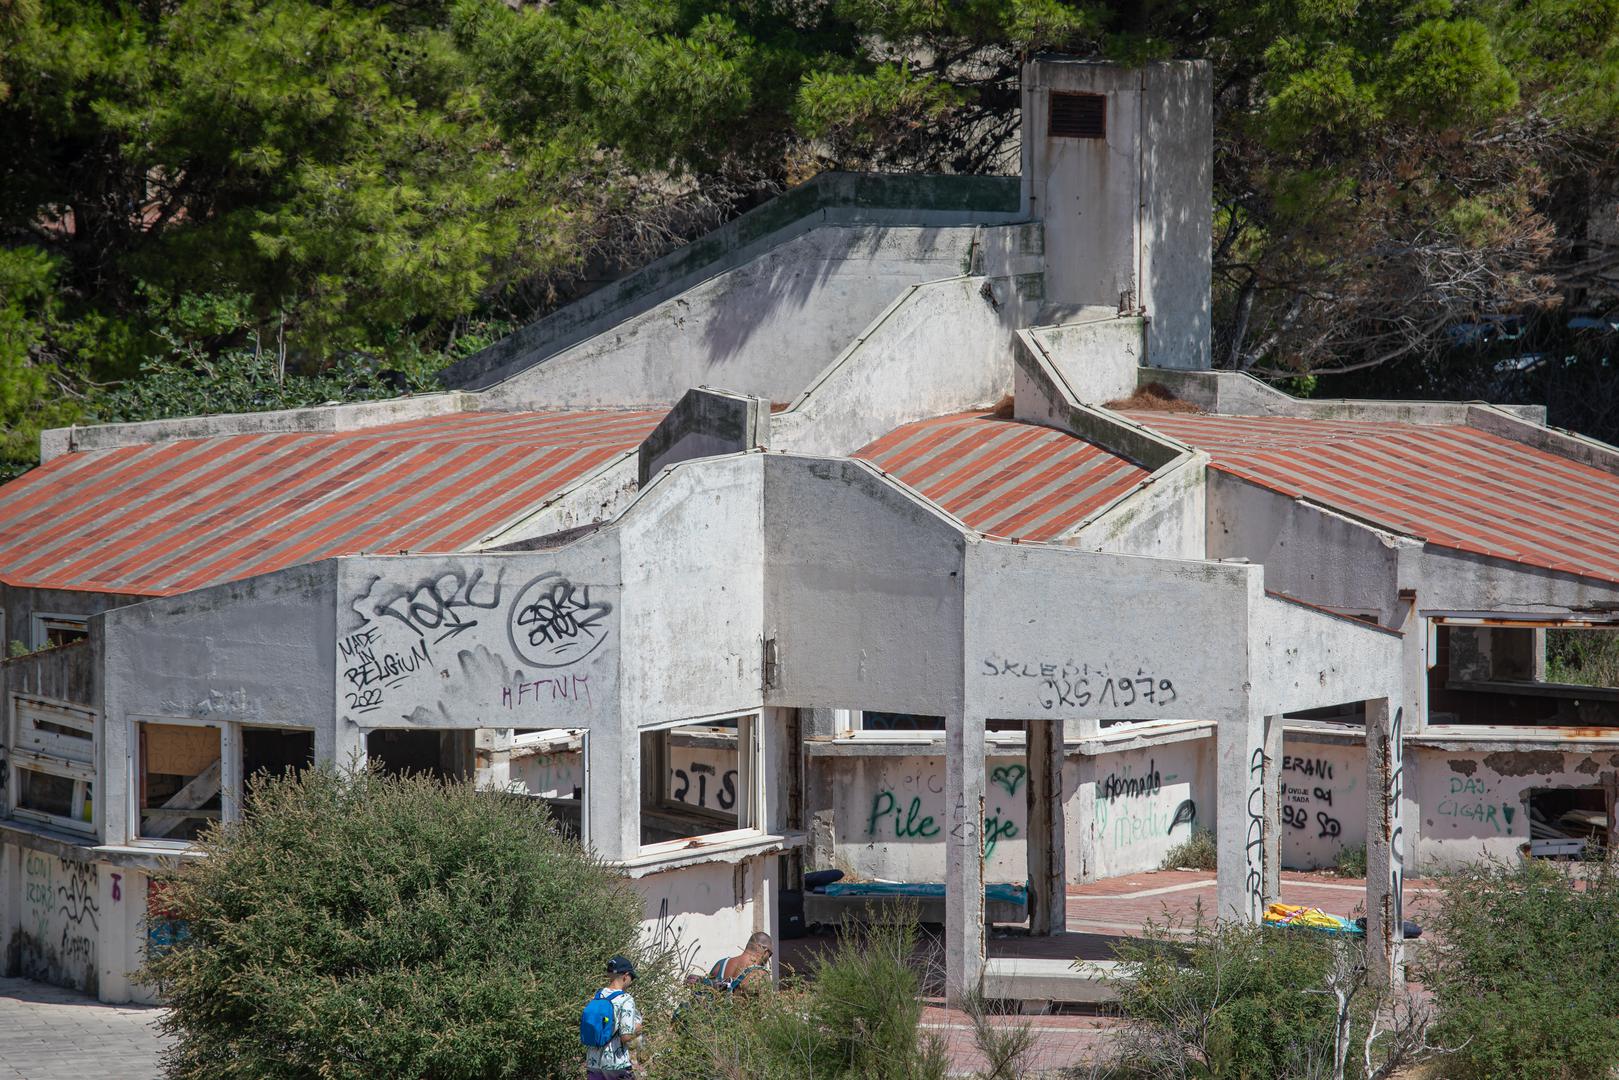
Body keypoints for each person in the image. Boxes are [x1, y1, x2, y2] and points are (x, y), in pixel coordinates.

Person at [584, 955, 643, 1080]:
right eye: (631, 977)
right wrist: (637, 1029)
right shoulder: (626, 999)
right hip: (616, 1065)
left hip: (593, 1062)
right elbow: (625, 1036)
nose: (631, 981)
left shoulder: (598, 995)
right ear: (625, 976)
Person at [706, 931, 774, 995]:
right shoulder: (761, 974)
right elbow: (767, 1005)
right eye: (770, 955)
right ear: (765, 952)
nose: (768, 959)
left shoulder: (720, 964)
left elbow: (706, 991)